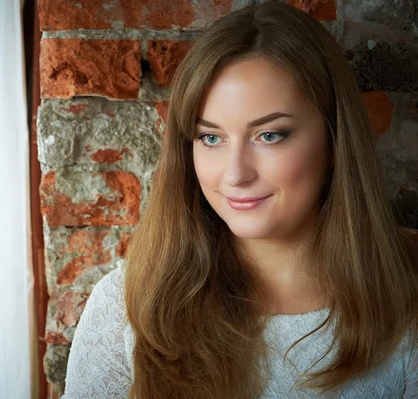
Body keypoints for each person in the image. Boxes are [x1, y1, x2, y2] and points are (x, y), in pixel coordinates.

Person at [61, 2, 418, 398]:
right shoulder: (126, 309)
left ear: (335, 139)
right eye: (210, 138)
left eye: (270, 135)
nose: (234, 174)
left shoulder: (407, 298)